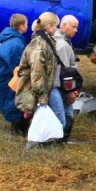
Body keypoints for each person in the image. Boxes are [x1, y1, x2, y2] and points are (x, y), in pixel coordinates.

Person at [14, 12, 61, 150]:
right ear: (49, 26)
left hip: (42, 88)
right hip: (38, 89)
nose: (57, 30)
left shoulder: (44, 42)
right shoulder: (40, 45)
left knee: (38, 118)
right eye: (55, 26)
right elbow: (37, 73)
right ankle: (34, 146)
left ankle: (40, 144)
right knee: (41, 119)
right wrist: (42, 96)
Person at [0, 13, 29, 135]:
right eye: (26, 24)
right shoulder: (16, 44)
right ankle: (18, 131)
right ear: (21, 26)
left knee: (9, 101)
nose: (27, 26)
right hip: (7, 78)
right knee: (12, 101)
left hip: (1, 76)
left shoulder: (8, 39)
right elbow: (17, 66)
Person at [50, 14, 80, 143]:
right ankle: (60, 140)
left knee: (66, 113)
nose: (76, 30)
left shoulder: (59, 40)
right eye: (74, 27)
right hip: (61, 87)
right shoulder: (62, 45)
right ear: (63, 25)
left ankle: (62, 139)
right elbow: (64, 72)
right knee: (65, 114)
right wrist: (70, 92)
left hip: (58, 86)